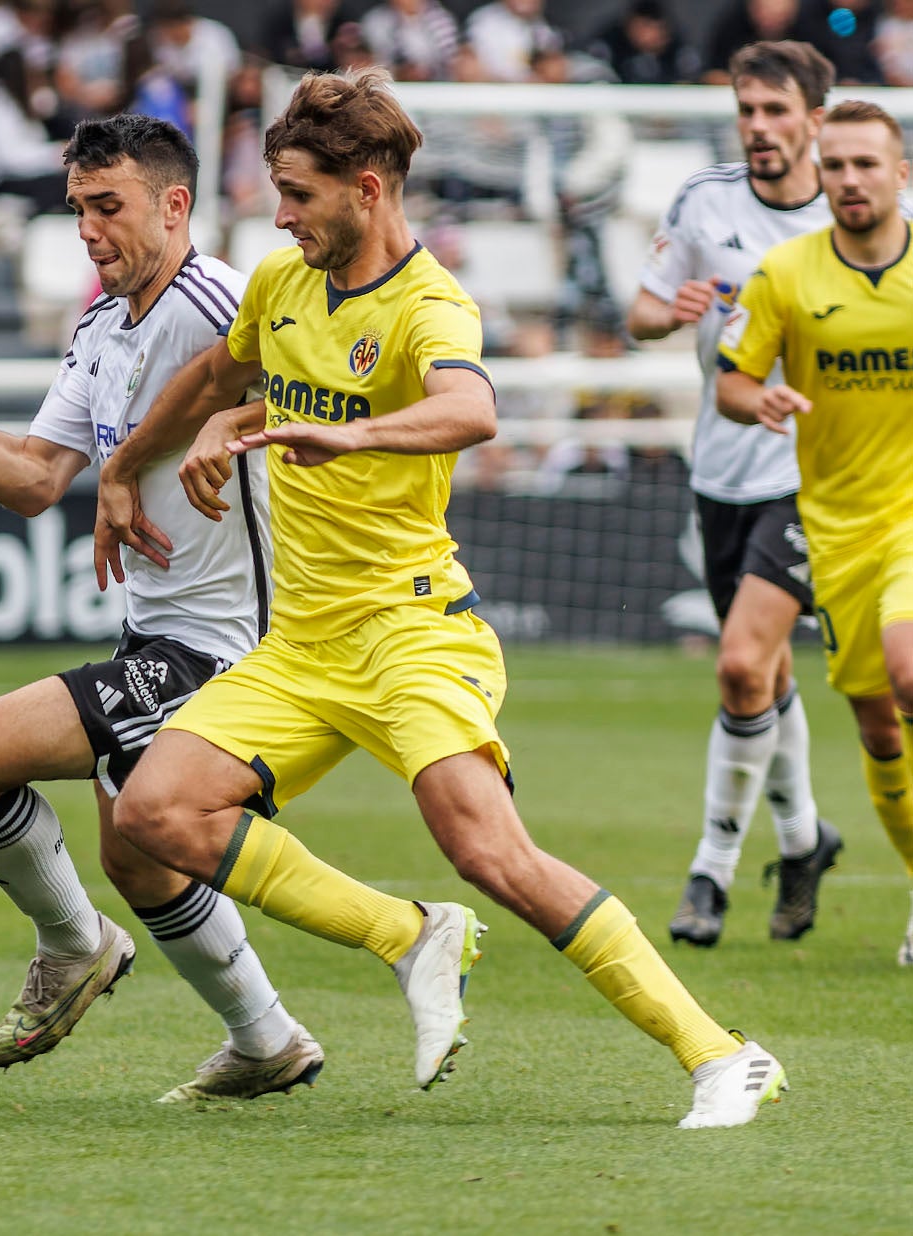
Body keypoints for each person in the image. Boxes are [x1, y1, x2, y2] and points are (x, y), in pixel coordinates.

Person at [95, 66, 785, 1128]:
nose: (281, 215)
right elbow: (213, 382)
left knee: (491, 853)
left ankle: (722, 1055)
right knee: (153, 813)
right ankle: (409, 934)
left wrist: (356, 431)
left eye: (300, 193)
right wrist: (132, 465)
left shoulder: (429, 304)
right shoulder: (283, 283)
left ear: (367, 187)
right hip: (303, 648)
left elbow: (470, 409)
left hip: (415, 634)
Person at [0, 113, 327, 1104]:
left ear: (174, 205)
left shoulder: (223, 300)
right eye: (78, 211)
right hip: (153, 635)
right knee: (138, 862)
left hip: (227, 649)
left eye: (110, 208)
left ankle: (72, 944)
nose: (90, 232)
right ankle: (267, 1041)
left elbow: (329, 395)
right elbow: (31, 480)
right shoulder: (101, 327)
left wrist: (221, 427)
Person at [627, 41, 844, 948]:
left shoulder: (861, 207)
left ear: (813, 120)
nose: (757, 127)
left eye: (774, 111)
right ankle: (803, 839)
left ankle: (708, 873)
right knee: (762, 672)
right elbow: (638, 312)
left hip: (817, 474)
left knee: (739, 662)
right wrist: (666, 309)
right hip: (721, 467)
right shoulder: (703, 201)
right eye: (745, 110)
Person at [715, 98, 913, 963]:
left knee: (908, 669)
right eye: (835, 166)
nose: (850, 180)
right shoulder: (785, 274)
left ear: (900, 174)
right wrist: (754, 397)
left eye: (867, 164)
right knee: (877, 725)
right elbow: (730, 378)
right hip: (832, 527)